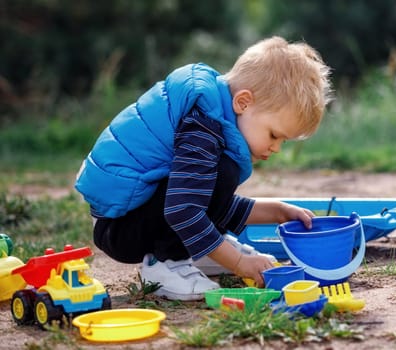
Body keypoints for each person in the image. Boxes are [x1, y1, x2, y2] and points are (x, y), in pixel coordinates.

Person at [75, 36, 332, 301]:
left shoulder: (212, 114)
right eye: (274, 135)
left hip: (134, 215)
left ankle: (197, 251)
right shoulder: (204, 127)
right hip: (120, 228)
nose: (276, 148)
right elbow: (183, 209)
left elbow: (206, 201)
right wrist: (239, 264)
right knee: (224, 170)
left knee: (215, 173)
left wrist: (276, 211)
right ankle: (165, 265)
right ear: (243, 102)